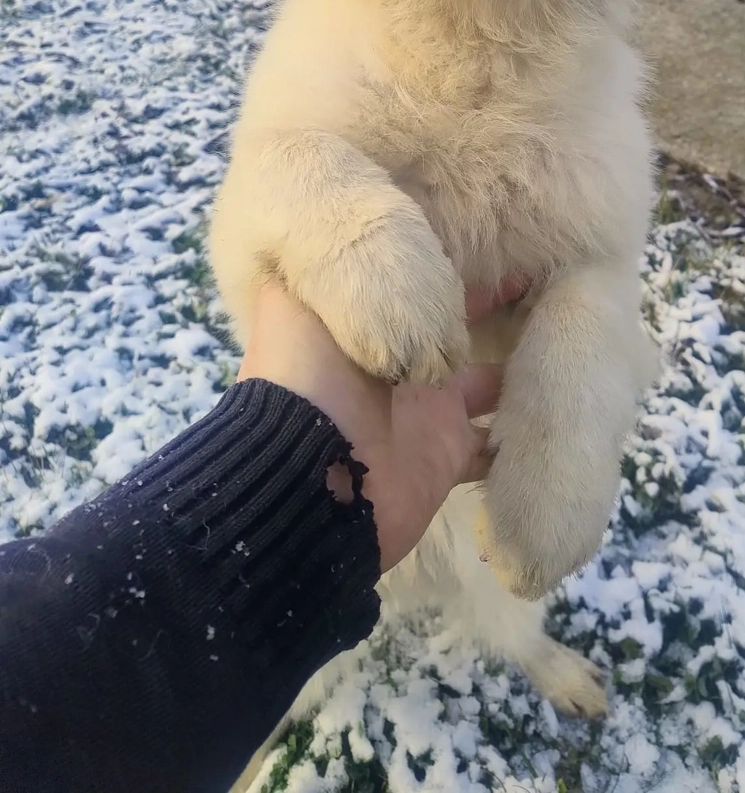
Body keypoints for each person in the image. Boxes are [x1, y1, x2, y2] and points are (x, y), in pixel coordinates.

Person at [0, 279, 521, 793]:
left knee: (515, 575)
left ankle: (530, 647)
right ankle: (256, 720)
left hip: (461, 442)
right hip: (397, 434)